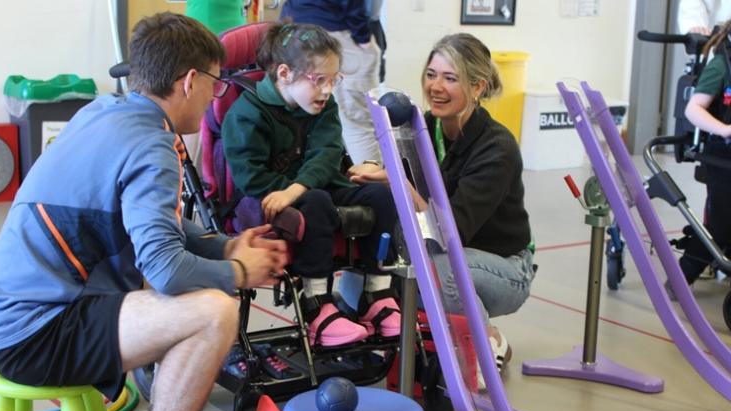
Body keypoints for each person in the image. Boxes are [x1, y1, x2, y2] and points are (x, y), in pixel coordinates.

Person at [0, 13, 286, 411]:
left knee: (201, 296)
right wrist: (239, 272)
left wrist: (220, 248)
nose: (216, 96)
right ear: (190, 82)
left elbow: (155, 225)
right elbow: (166, 270)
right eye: (217, 83)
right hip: (37, 335)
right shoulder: (153, 147)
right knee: (213, 311)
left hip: (23, 315)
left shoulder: (106, 110)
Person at [357, 33, 534, 388]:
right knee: (392, 249)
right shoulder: (425, 126)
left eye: (450, 78)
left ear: (478, 86)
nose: (435, 86)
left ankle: (483, 343)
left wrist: (398, 183)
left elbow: (449, 232)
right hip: (451, 254)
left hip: (504, 270)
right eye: (431, 74)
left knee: (437, 267)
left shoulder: (496, 147)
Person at [221, 22, 407, 347]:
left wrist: (298, 188)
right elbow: (250, 177)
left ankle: (376, 293)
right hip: (265, 197)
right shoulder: (246, 113)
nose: (326, 90)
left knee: (381, 196)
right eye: (318, 80)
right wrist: (295, 191)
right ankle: (316, 306)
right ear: (284, 73)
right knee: (317, 202)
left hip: (308, 188)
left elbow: (328, 153)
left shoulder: (324, 106)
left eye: (333, 80)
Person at [280, 0, 382, 163]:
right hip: (336, 30)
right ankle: (375, 184)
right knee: (357, 126)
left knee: (309, 124)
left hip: (296, 27)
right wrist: (362, 35)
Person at [679, 20, 731, 284]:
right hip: (724, 155)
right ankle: (681, 279)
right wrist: (724, 130)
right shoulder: (722, 65)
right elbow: (693, 109)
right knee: (720, 228)